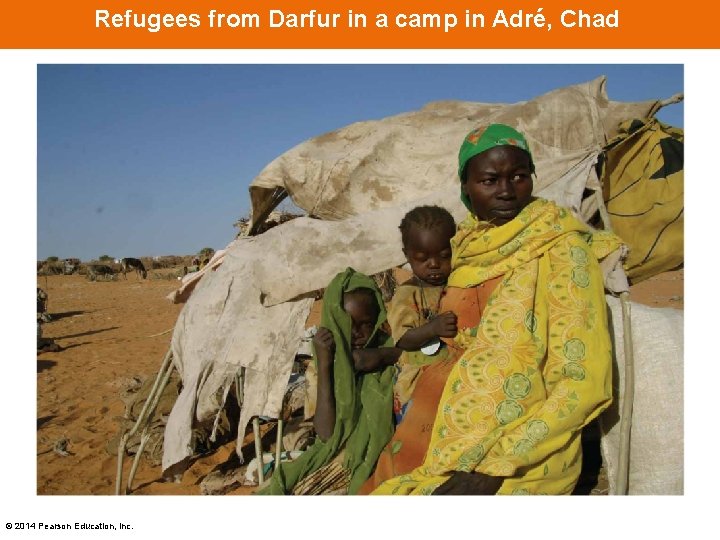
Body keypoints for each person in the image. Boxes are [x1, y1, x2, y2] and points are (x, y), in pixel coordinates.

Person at [367, 123, 622, 495]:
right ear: (466, 188)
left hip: (514, 445)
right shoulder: (467, 247)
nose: (506, 191)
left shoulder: (562, 249)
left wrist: (497, 466)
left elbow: (581, 380)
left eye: (519, 177)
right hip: (430, 426)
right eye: (489, 180)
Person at [258, 267, 401, 495]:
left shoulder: (389, 352)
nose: (358, 334)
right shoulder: (324, 365)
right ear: (334, 322)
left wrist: (384, 356)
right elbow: (325, 434)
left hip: (373, 457)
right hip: (336, 453)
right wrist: (325, 366)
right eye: (348, 325)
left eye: (366, 324)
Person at [388, 206, 458, 424]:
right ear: (407, 256)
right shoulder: (407, 294)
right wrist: (432, 329)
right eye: (422, 258)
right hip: (418, 382)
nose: (434, 264)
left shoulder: (460, 284)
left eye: (444, 255)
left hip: (454, 378)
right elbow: (403, 339)